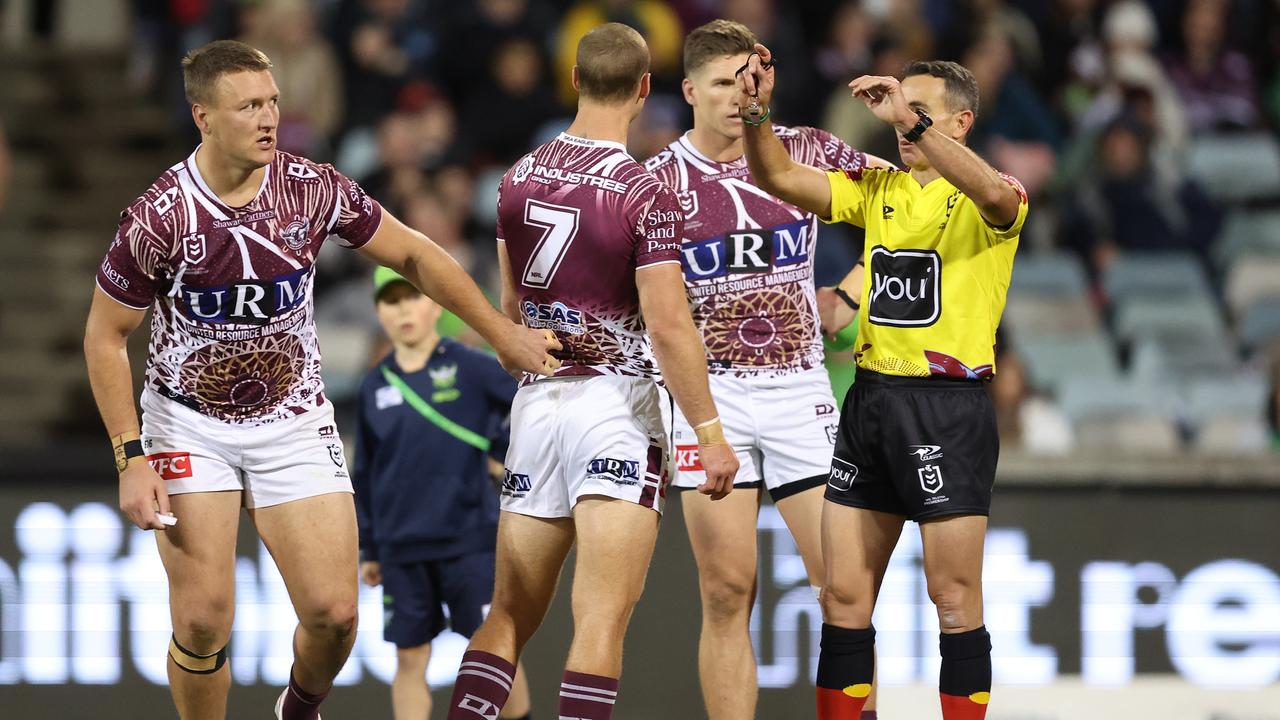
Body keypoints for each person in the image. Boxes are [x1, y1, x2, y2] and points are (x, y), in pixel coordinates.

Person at [82, 40, 558, 720]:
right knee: (202, 618)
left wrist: (500, 332)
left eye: (272, 101)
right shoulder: (160, 216)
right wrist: (130, 457)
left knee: (335, 616)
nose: (268, 117)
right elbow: (105, 336)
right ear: (203, 117)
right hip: (188, 423)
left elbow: (417, 256)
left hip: (294, 418)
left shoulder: (310, 188)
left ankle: (299, 708)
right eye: (248, 105)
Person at [444, 23, 738, 720]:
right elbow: (667, 324)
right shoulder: (646, 191)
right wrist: (708, 427)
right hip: (616, 408)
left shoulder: (516, 177)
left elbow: (514, 306)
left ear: (573, 80)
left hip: (539, 403)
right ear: (645, 89)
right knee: (601, 619)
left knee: (509, 615)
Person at [738, 45, 1028, 720]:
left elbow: (991, 195)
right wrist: (757, 114)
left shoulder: (997, 194)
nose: (901, 123)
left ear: (960, 124)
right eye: (898, 113)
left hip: (945, 408)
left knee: (952, 599)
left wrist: (910, 119)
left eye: (920, 112)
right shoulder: (880, 191)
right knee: (842, 596)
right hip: (870, 401)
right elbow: (779, 175)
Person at [643, 19, 889, 720]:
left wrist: (851, 292)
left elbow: (913, 213)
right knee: (726, 593)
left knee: (844, 589)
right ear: (689, 89)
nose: (733, 97)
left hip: (799, 390)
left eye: (745, 82)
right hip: (706, 398)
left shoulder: (807, 150)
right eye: (720, 84)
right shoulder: (657, 184)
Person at [354, 267, 533, 720]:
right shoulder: (374, 385)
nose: (403, 309)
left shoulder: (471, 366)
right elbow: (366, 473)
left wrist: (503, 450)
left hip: (468, 539)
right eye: (391, 301)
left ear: (434, 304)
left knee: (494, 653)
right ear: (379, 312)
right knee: (409, 659)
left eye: (412, 297)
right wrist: (369, 547)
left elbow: (531, 404)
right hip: (400, 548)